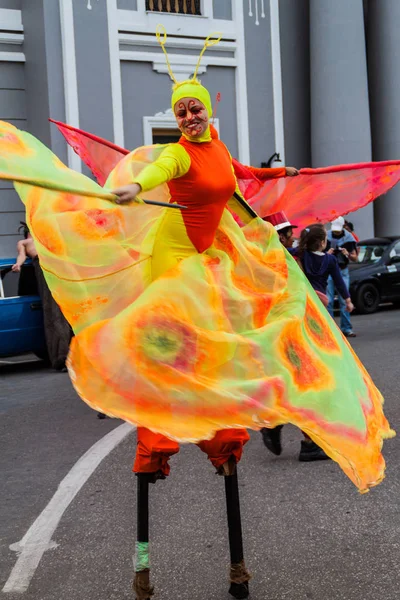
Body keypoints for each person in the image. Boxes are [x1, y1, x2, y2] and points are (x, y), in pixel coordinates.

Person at [0, 27, 393, 599]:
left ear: (210, 112)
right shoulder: (178, 153)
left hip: (211, 253)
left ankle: (226, 410)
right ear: (177, 119)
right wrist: (133, 185)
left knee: (244, 320)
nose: (188, 117)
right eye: (181, 111)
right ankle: (162, 409)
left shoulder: (217, 149)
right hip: (178, 258)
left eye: (195, 109)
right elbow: (159, 171)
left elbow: (239, 180)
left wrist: (281, 176)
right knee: (180, 331)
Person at [259, 213, 332, 461]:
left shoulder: (279, 256)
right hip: (288, 330)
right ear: (279, 235)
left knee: (299, 381)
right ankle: (308, 442)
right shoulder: (278, 259)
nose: (293, 236)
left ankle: (277, 422)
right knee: (305, 381)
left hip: (287, 330)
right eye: (289, 232)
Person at [12, 222, 73, 371]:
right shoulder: (24, 242)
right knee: (54, 313)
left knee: (68, 311)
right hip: (44, 267)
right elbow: (21, 255)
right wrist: (18, 265)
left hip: (59, 265)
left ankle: (76, 356)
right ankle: (62, 358)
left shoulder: (45, 238)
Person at [326, 216, 358, 337]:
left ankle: (346, 328)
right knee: (328, 300)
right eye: (334, 230)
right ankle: (331, 329)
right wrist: (327, 254)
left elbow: (355, 258)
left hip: (342, 270)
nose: (336, 232)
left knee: (344, 300)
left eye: (338, 230)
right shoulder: (326, 236)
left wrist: (347, 254)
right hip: (329, 271)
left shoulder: (349, 238)